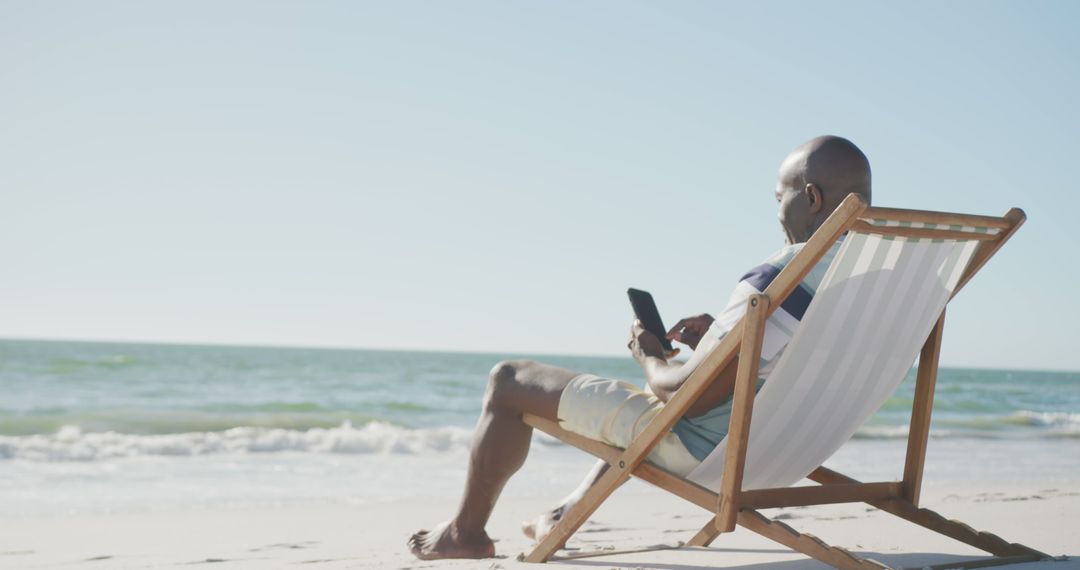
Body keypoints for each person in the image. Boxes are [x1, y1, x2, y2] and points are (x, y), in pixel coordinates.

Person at [408, 135, 873, 560]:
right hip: (792, 452)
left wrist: (649, 354)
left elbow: (687, 400)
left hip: (712, 455)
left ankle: (464, 534)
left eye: (780, 198)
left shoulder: (786, 276)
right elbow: (793, 359)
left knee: (508, 380)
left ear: (811, 198)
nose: (776, 213)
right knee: (638, 408)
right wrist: (727, 339)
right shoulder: (876, 279)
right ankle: (564, 512)